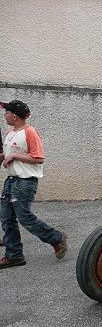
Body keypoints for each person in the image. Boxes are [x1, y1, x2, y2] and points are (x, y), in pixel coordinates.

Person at [0, 100, 67, 269]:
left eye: (6, 112)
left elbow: (38, 158)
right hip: (11, 181)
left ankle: (57, 238)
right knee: (7, 220)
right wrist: (6, 156)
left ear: (14, 116)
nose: (4, 114)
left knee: (25, 219)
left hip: (24, 182)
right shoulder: (10, 133)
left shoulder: (30, 133)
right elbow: (7, 155)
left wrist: (15, 157)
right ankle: (14, 255)